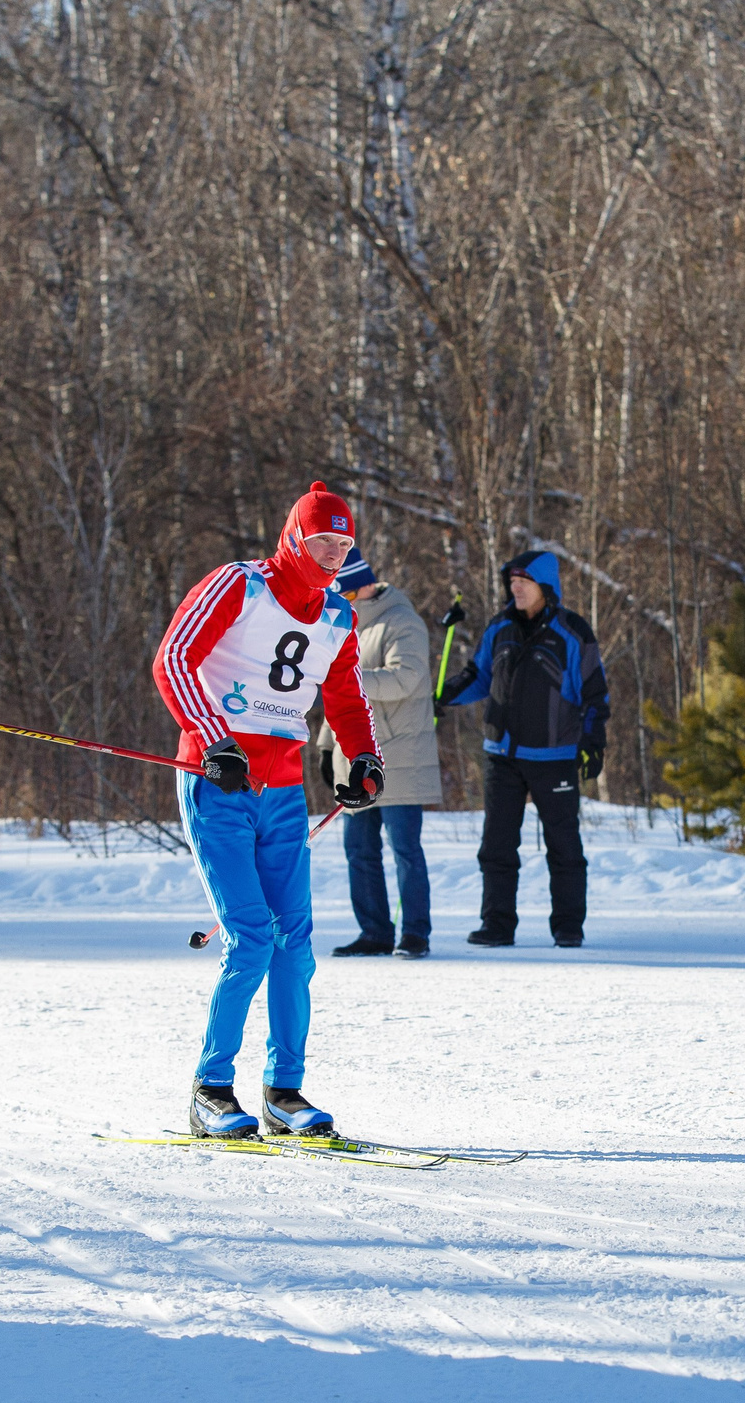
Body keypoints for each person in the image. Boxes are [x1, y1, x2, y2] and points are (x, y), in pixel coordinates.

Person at [152, 482, 385, 1140]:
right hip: (218, 781)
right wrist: (212, 738)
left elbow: (345, 698)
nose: (333, 554)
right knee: (250, 936)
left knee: (295, 943)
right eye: (322, 542)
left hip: (283, 792)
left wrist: (364, 758)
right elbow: (174, 658)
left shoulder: (337, 617)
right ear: (293, 537)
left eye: (343, 544)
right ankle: (210, 1090)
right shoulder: (240, 585)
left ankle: (284, 1090)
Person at [436, 550, 609, 948]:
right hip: (502, 753)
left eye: (523, 581)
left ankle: (568, 926)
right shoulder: (500, 628)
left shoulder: (572, 632)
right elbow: (479, 676)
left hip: (555, 755)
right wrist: (442, 696)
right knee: (496, 846)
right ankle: (497, 924)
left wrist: (593, 742)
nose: (514, 587)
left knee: (564, 846)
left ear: (544, 587)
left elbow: (595, 694)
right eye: (511, 581)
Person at [303, 546, 442, 958]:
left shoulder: (403, 621)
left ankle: (415, 933)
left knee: (405, 850)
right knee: (359, 850)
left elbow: (408, 679)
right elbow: (341, 701)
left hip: (399, 755)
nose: (336, 600)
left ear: (359, 584)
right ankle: (375, 931)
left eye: (341, 591)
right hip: (355, 758)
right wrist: (328, 747)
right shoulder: (345, 624)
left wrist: (350, 678)